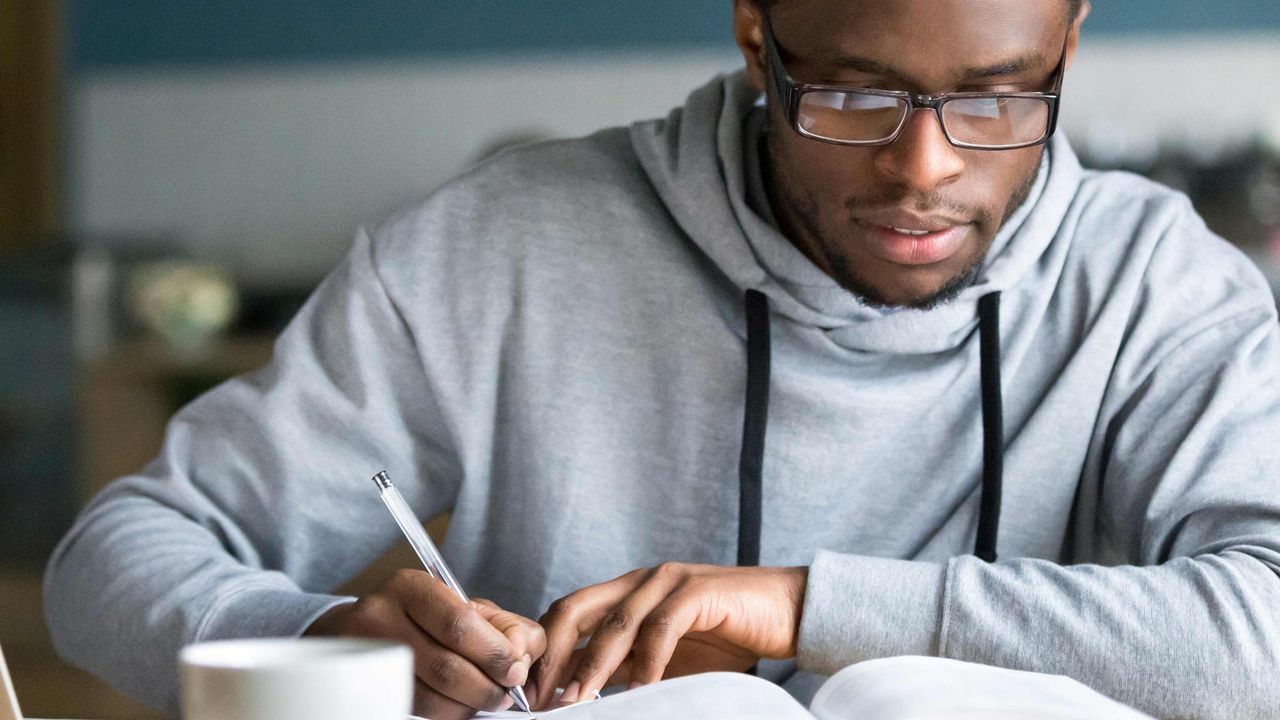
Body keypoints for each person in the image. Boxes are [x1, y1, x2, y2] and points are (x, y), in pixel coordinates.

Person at [45, 1, 1280, 718]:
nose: (924, 169)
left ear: (1065, 41)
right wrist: (316, 638)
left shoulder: (1156, 280)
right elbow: (112, 558)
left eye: (1001, 98)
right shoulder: (501, 243)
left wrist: (798, 605)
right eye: (851, 97)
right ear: (758, 38)